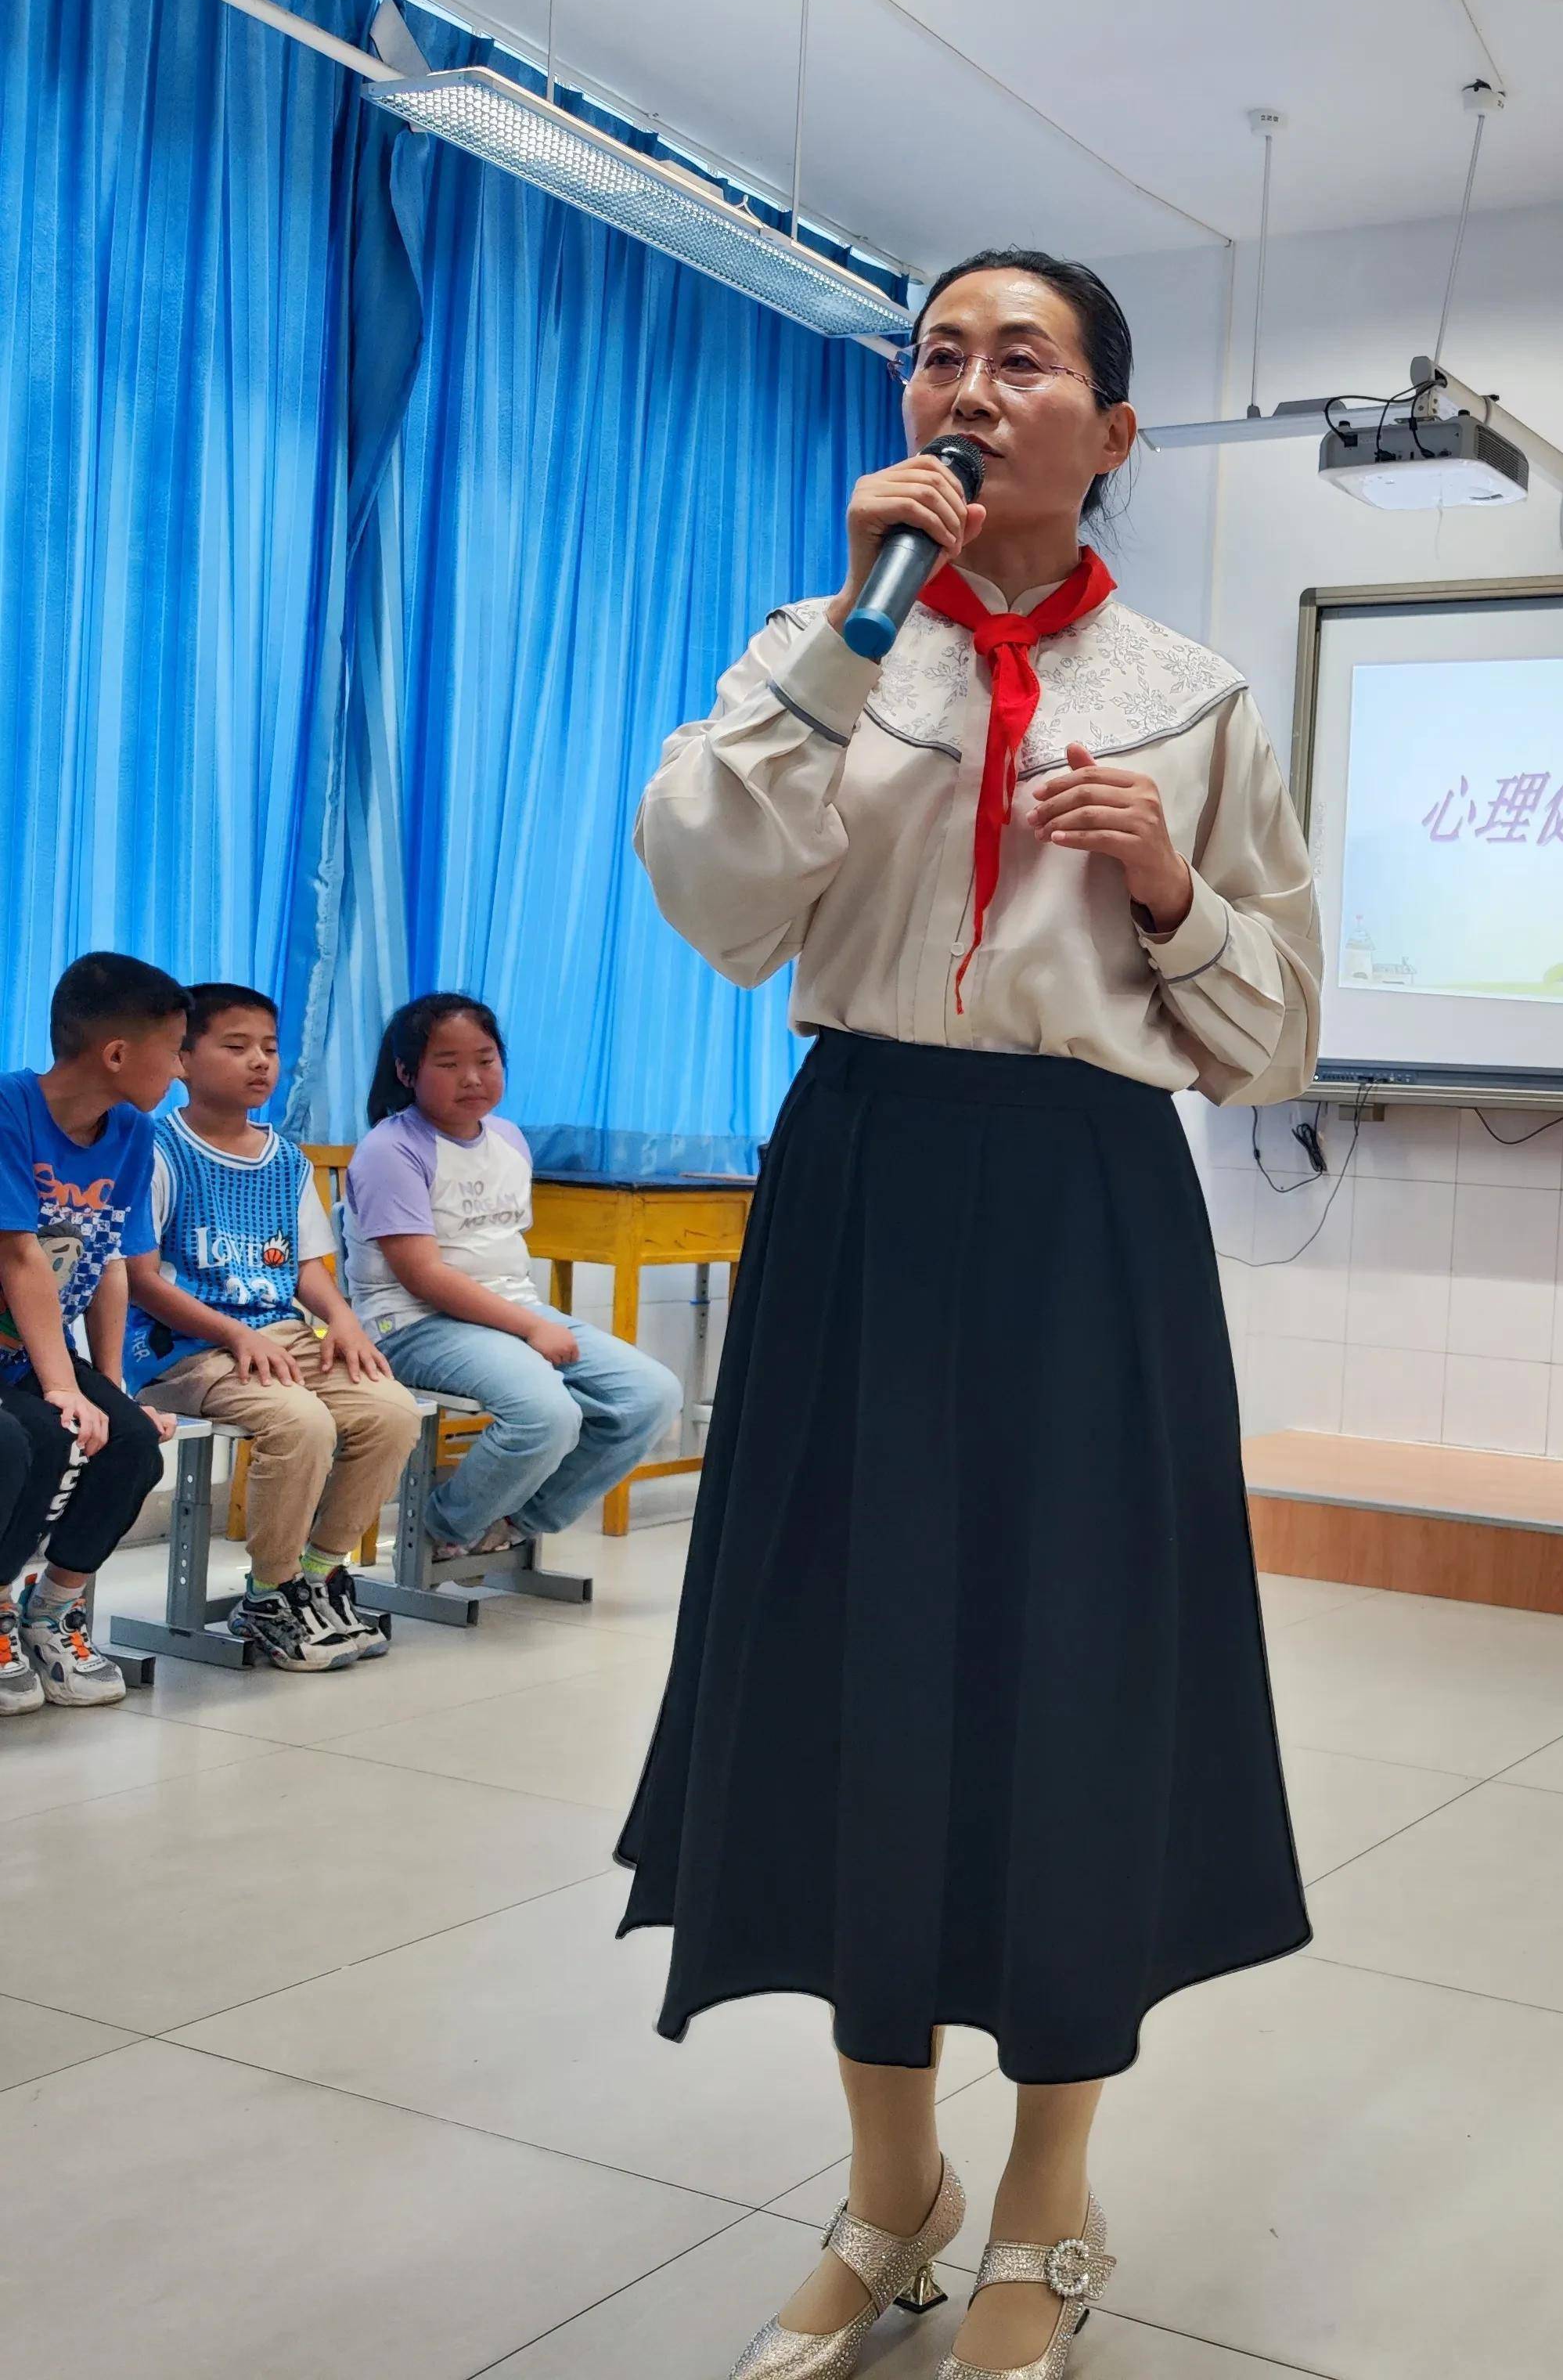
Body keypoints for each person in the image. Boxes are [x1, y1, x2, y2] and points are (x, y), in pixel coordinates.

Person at [623, 248, 1320, 2380]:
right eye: (941, 352)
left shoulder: (1194, 701)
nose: (970, 385)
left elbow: (1275, 1037)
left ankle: (1041, 2205)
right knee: (853, 1671)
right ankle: (889, 2190)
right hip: (859, 1188)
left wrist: (1171, 889)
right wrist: (851, 632)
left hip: (1087, 1214)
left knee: (1070, 1684)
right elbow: (712, 898)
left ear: (1111, 434)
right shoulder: (820, 653)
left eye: (1025, 360)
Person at [125, 983, 420, 1673]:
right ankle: (267, 1590)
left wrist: (342, 1320)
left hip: (281, 1340)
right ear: (182, 1059)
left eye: (269, 1047)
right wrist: (236, 1335)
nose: (260, 1061)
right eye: (236, 1047)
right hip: (189, 1351)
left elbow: (307, 1266)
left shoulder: (285, 1158)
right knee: (302, 1425)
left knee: (392, 1412)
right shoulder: (158, 1148)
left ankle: (316, 1575)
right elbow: (141, 1279)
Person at [338, 993, 683, 1563]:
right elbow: (422, 1276)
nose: (472, 1078)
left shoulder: (509, 1139)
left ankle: (517, 1521)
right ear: (407, 1072)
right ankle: (441, 1528)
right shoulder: (390, 1149)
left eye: (486, 1059)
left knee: (650, 1395)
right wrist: (529, 1328)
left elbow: (498, 1253)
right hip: (413, 1324)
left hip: (506, 1313)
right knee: (547, 1414)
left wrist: (528, 1324)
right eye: (447, 1064)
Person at [0, 954, 182, 1717]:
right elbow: (17, 1255)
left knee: (132, 1444)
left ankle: (50, 1612)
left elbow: (108, 1263)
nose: (179, 1071)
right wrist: (64, 1388)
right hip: (26, 1353)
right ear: (116, 1055)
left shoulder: (134, 1134)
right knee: (31, 1443)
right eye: (174, 1051)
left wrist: (110, 1387)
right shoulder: (10, 1109)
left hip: (30, 1354)